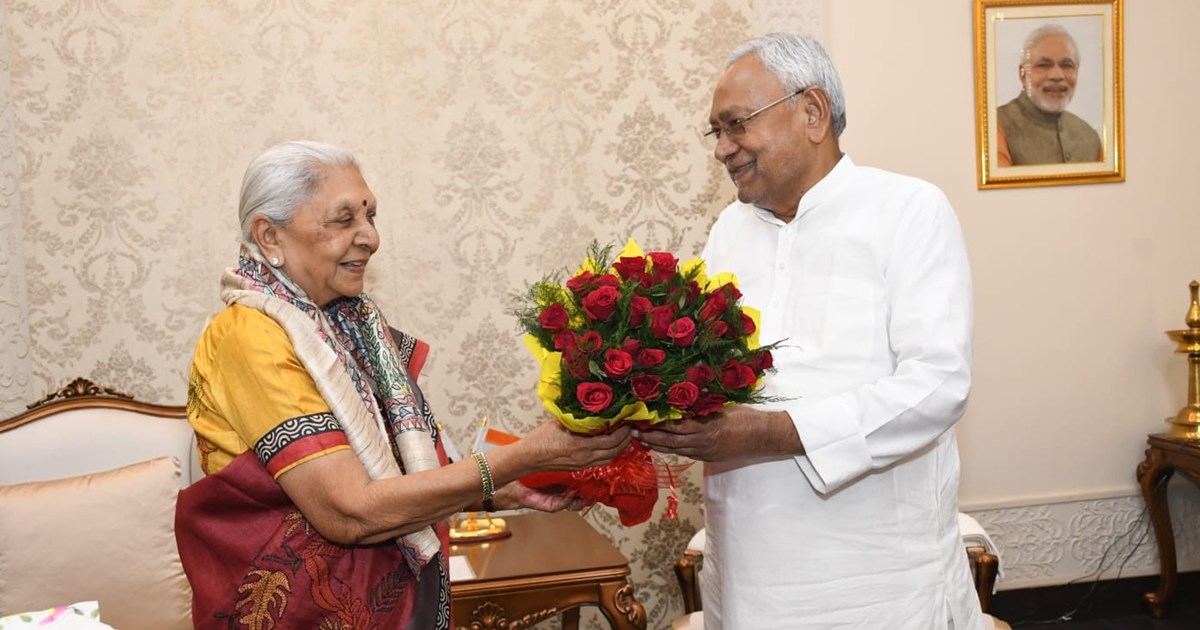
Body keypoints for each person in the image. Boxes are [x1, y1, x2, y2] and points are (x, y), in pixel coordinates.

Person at [175, 140, 633, 629]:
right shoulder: (250, 335)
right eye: (343, 219)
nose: (369, 237)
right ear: (269, 237)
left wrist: (501, 490)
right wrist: (524, 456)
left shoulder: (347, 323)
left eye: (370, 216)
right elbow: (348, 512)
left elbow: (388, 477)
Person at [636, 34, 983, 629]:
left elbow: (937, 384)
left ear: (813, 112)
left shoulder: (909, 210)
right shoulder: (728, 230)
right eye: (715, 132)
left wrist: (771, 433)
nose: (721, 149)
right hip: (747, 571)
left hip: (877, 578)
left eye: (735, 124)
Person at [996, 24, 1103, 166]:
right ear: (1023, 74)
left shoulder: (1090, 137)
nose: (1057, 75)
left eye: (1066, 65)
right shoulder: (996, 125)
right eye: (1044, 65)